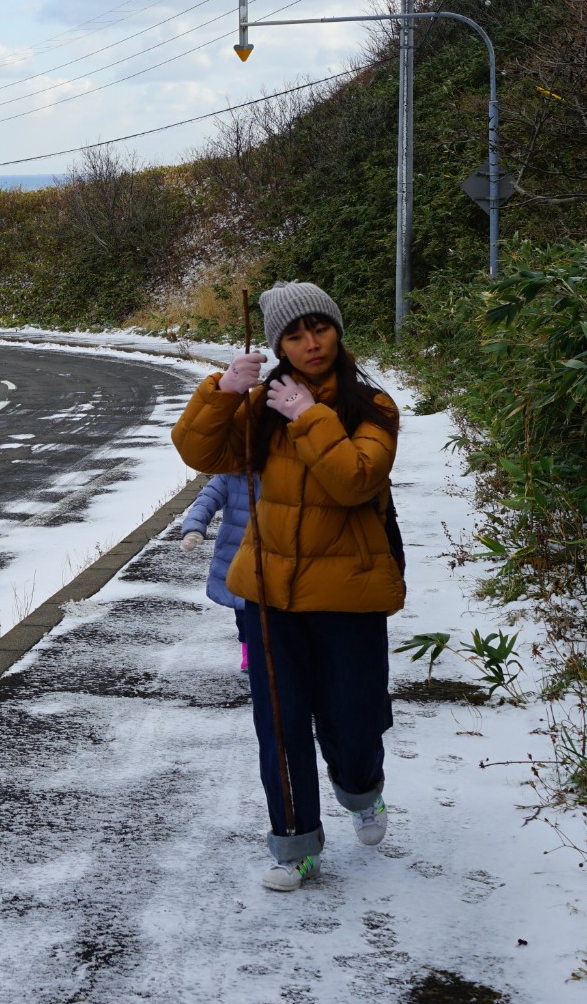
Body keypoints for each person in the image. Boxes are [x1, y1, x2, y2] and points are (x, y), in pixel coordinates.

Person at [171, 281, 403, 893]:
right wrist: (222, 393)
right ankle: (295, 846)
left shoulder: (372, 407)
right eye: (293, 336)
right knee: (281, 725)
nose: (310, 344)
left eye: (318, 329)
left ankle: (362, 789)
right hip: (269, 595)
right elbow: (201, 453)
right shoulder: (263, 407)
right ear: (278, 344)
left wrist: (309, 416)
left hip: (348, 595)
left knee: (352, 722)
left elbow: (355, 480)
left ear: (336, 330)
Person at [179, 473, 252, 669]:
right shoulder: (230, 477)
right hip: (238, 555)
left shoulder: (283, 471)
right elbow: (206, 501)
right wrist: (194, 528)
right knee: (244, 610)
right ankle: (249, 653)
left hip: (273, 554)